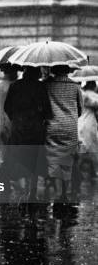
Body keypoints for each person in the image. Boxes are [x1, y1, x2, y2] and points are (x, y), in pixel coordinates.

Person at [4, 66, 52, 199]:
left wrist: (17, 119)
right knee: (35, 160)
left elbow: (7, 107)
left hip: (19, 128)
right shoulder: (41, 87)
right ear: (37, 72)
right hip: (36, 129)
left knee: (19, 157)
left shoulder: (15, 86)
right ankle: (32, 191)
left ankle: (22, 187)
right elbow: (47, 110)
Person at [44, 65, 83, 202]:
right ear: (68, 70)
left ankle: (57, 190)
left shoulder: (47, 85)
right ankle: (65, 193)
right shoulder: (75, 86)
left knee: (54, 160)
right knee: (67, 161)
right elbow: (80, 109)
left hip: (52, 127)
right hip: (70, 128)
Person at [77, 80, 98, 181]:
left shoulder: (81, 93)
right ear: (93, 86)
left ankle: (77, 171)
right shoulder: (91, 96)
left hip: (80, 122)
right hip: (89, 123)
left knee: (82, 147)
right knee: (93, 147)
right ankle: (94, 171)